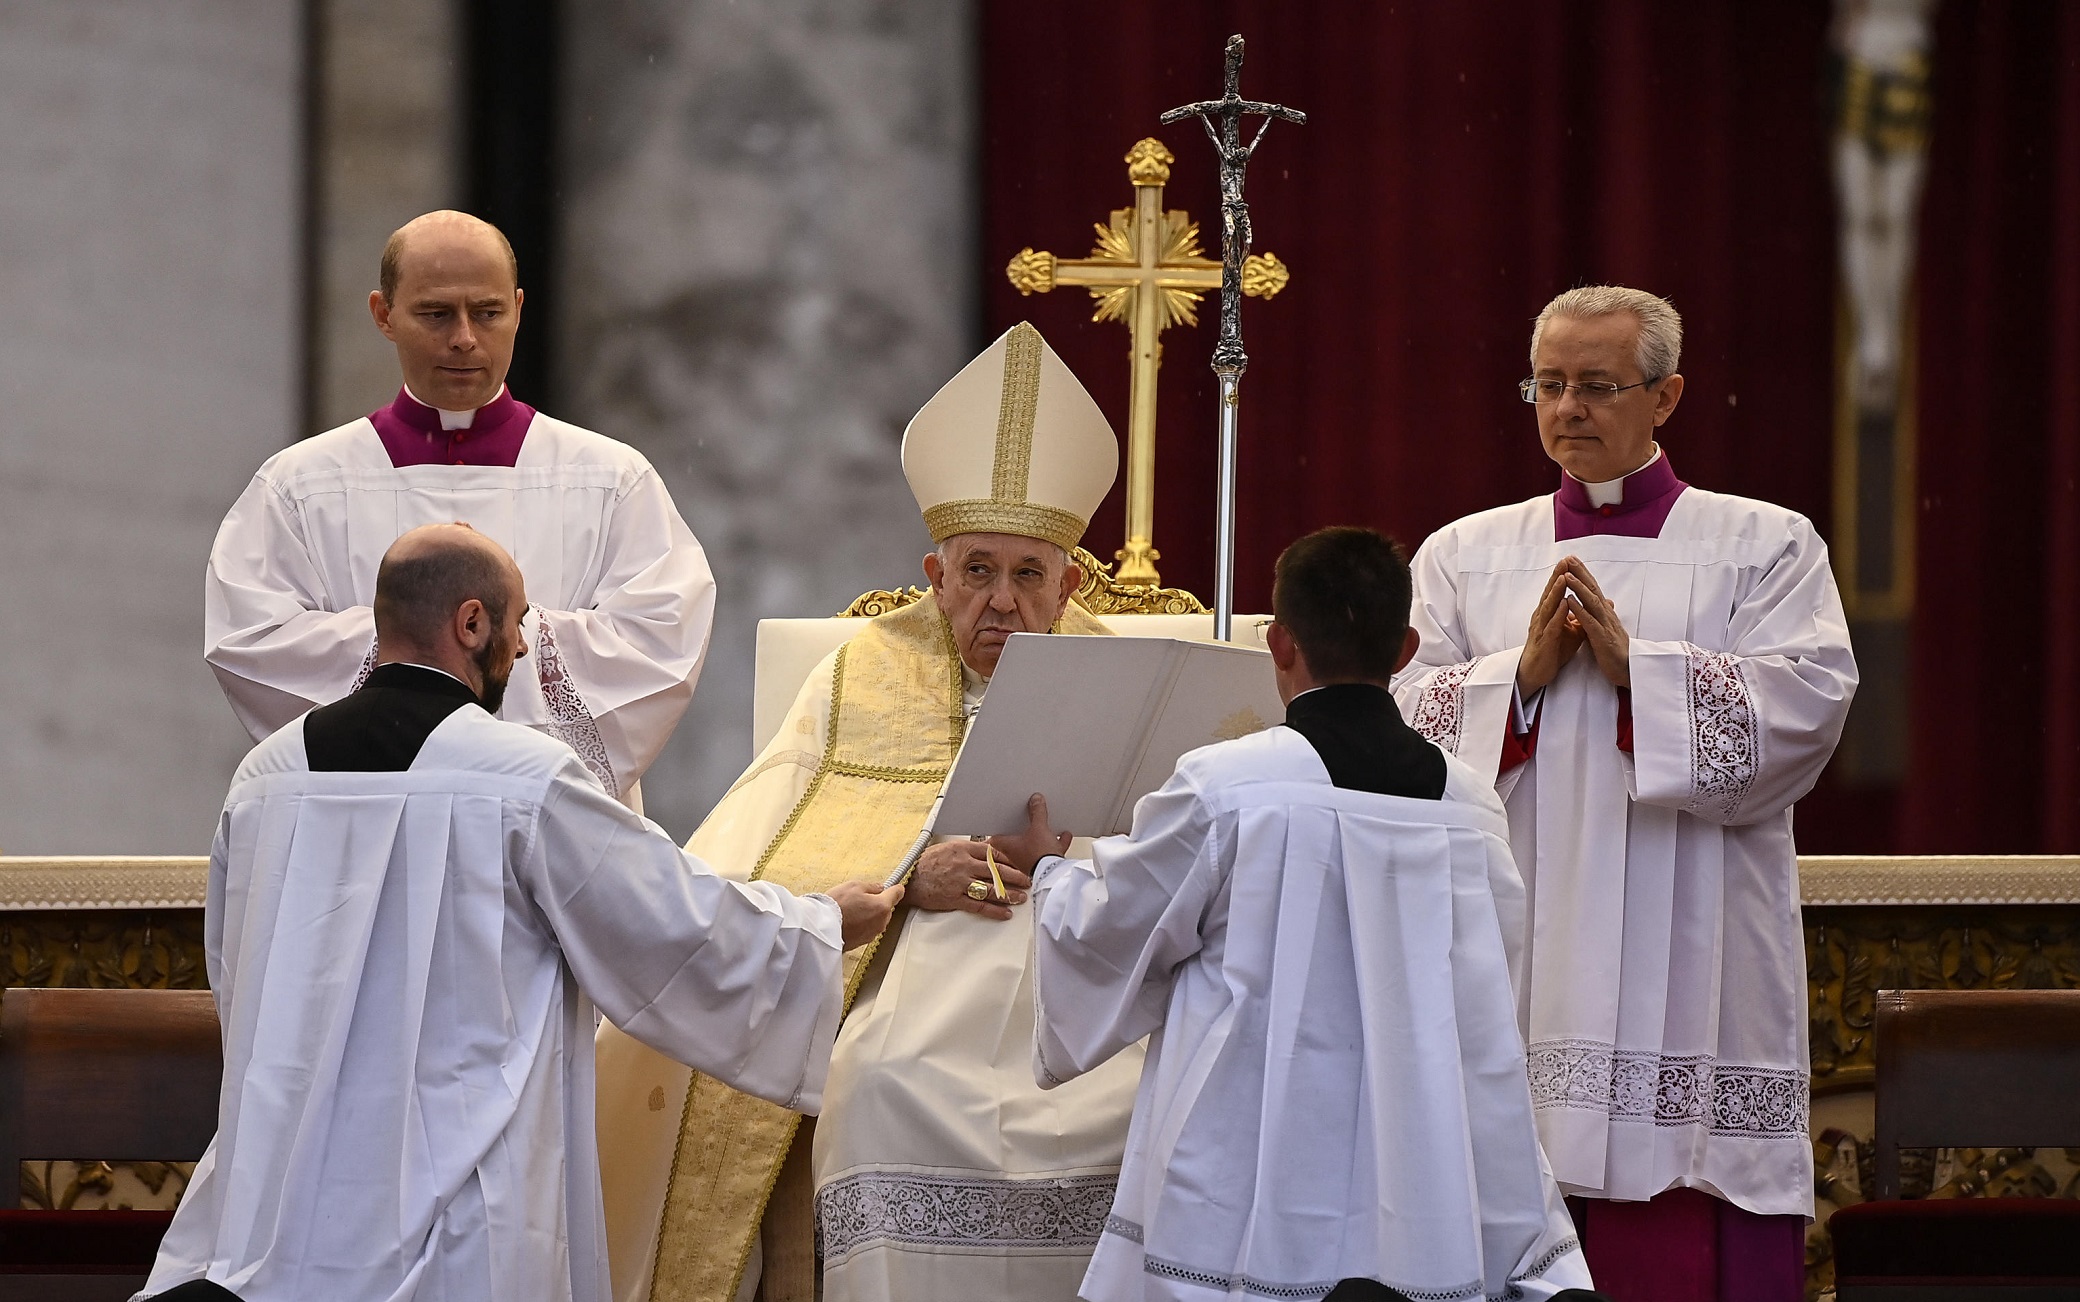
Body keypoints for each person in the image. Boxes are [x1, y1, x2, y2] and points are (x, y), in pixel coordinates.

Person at [138, 523, 899, 1302]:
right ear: (472, 623)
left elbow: (237, 979)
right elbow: (671, 925)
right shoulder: (519, 777)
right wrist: (822, 925)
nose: (527, 650)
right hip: (460, 1211)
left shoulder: (265, 779)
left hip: (280, 1199)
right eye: (520, 622)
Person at [593, 322, 1144, 1302]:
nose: (1003, 603)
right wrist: (907, 878)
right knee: (880, 1087)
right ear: (934, 579)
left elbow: (1179, 864)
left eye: (1028, 575)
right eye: (977, 571)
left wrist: (1078, 866)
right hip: (907, 978)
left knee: (1141, 1101)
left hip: (1084, 980)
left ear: (1071, 583)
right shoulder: (863, 671)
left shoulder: (1125, 676)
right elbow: (754, 854)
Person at [1392, 286, 1856, 1302]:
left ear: (1666, 396)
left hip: (1691, 936)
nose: (1567, 410)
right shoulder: (1466, 555)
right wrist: (1512, 681)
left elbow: (1808, 706)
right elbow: (1396, 722)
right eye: (1547, 385)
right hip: (1519, 939)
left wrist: (1636, 671)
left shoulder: (1763, 545)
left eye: (1597, 387)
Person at [995, 527, 1593, 1302]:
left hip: (1257, 1157)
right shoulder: (1469, 804)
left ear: (1278, 644)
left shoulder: (1229, 786)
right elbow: (1486, 992)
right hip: (1420, 1160)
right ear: (1406, 648)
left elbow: (1116, 925)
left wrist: (1048, 868)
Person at [205, 210, 713, 805]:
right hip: (375, 817)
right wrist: (443, 648)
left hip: (551, 825)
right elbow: (252, 640)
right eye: (436, 313)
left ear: (519, 310)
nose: (465, 337)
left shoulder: (610, 478)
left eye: (488, 312)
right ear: (383, 314)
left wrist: (475, 644)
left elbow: (661, 642)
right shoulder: (303, 484)